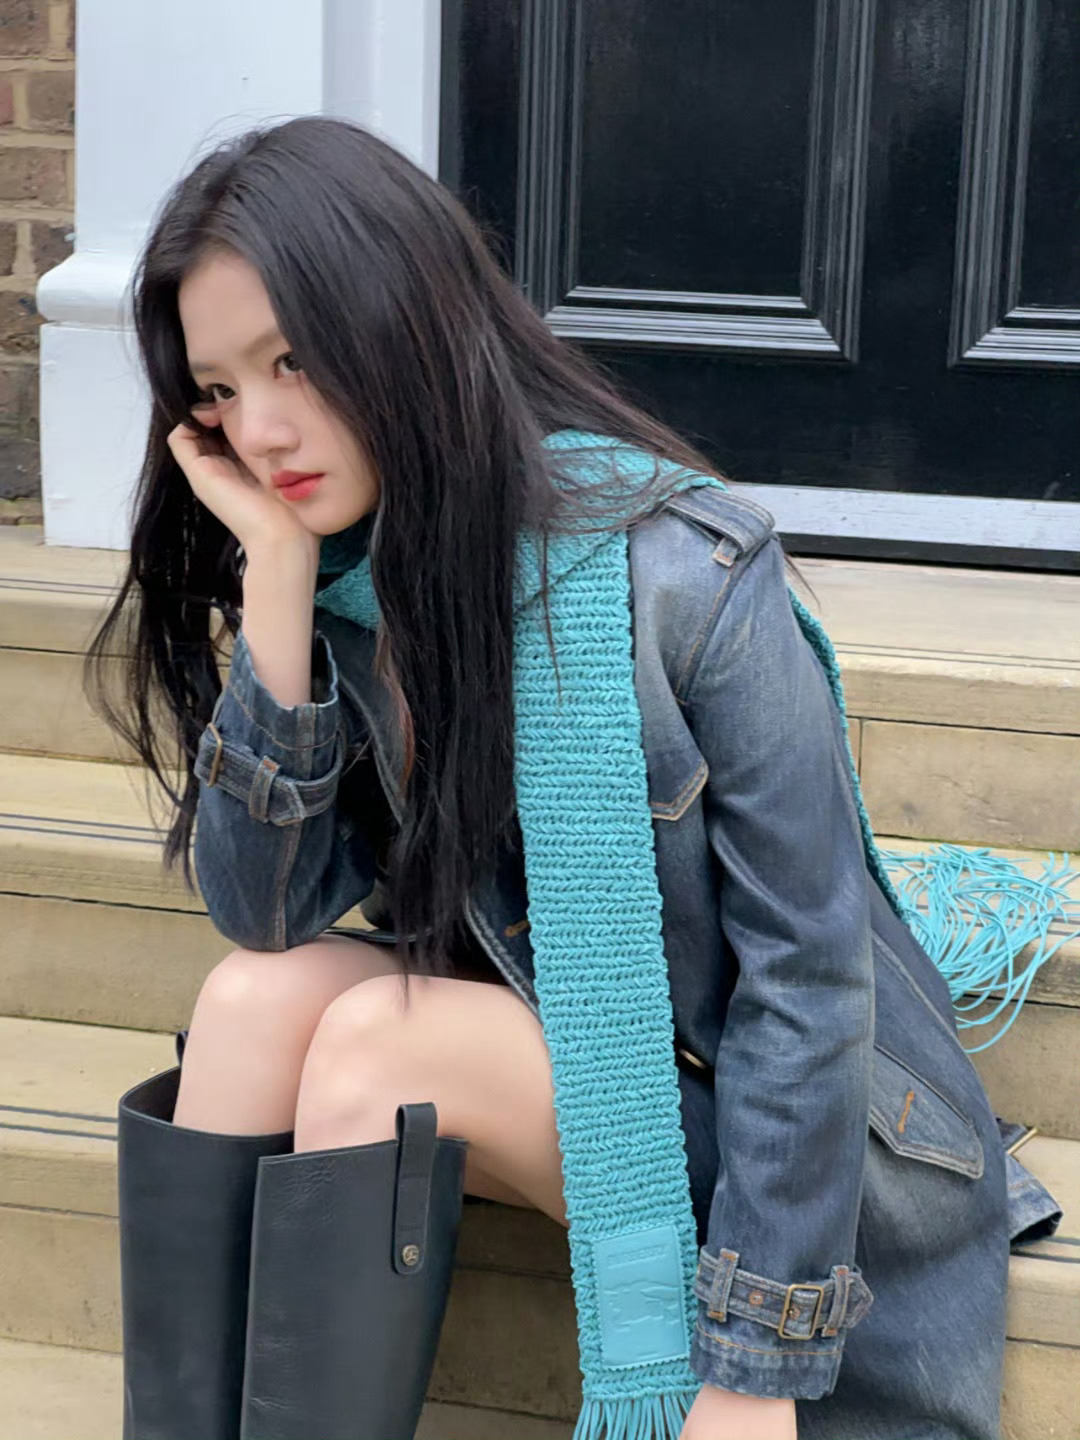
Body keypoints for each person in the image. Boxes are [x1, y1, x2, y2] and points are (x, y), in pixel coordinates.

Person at [88, 116, 1061, 1440]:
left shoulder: (686, 578)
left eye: (294, 360)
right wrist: (276, 587)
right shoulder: (343, 580)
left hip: (812, 1143)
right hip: (580, 1065)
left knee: (380, 1043)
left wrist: (754, 1363)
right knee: (253, 998)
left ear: (405, 320)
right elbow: (262, 912)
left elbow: (807, 988)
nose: (258, 430)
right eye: (217, 388)